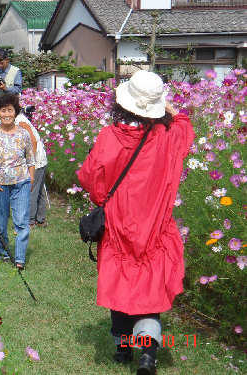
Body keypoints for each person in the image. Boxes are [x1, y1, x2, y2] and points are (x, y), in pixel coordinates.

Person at [76, 70, 195, 375]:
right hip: (155, 228)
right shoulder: (168, 137)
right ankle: (148, 355)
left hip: (118, 226)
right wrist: (170, 111)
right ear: (154, 106)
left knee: (121, 288)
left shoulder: (110, 137)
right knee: (149, 293)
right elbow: (185, 127)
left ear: (123, 103)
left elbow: (92, 182)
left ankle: (123, 349)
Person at [0, 93, 35, 270]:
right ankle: (4, 253)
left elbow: (30, 159)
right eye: (3, 110)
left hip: (21, 183)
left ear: (16, 112)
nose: (6, 114)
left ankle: (19, 259)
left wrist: (31, 179)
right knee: (0, 222)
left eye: (10, 110)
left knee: (21, 222)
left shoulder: (23, 134)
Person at [15, 108, 48, 227]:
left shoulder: (20, 122)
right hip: (40, 159)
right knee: (39, 190)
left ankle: (30, 221)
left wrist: (30, 163)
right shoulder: (20, 120)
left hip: (36, 160)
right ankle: (41, 219)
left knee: (31, 190)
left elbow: (32, 142)